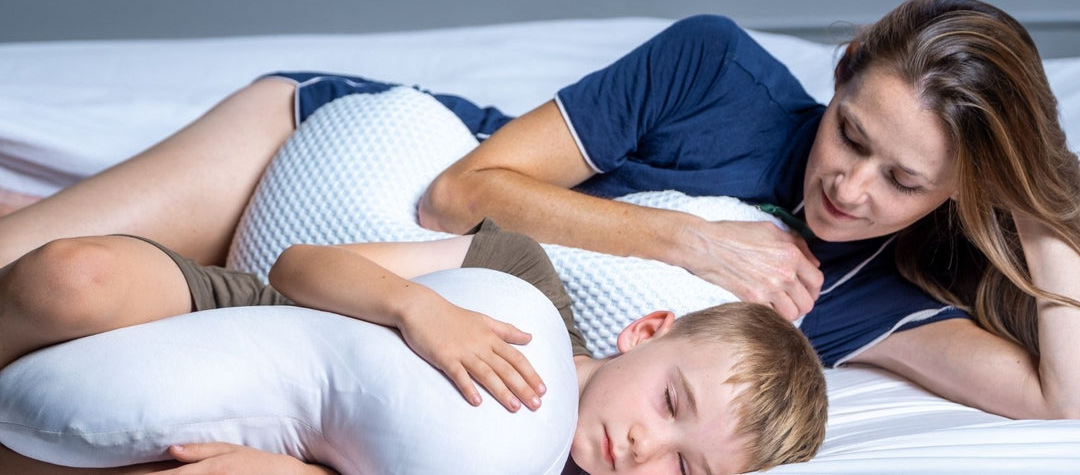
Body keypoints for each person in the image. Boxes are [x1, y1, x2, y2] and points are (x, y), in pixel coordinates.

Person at [1, 0, 1076, 419]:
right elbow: (463, 189)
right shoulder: (718, 71)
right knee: (25, 262)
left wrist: (1037, 210)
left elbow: (1059, 397)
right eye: (850, 134)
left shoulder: (878, 292)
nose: (850, 187)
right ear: (839, 78)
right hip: (326, 151)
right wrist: (696, 241)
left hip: (359, 292)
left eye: (905, 181)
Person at [0, 220, 828, 475]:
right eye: (671, 401)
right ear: (646, 331)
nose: (647, 447)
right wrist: (416, 307)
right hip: (254, 318)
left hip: (295, 448)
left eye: (685, 471)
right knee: (73, 277)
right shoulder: (522, 281)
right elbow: (295, 266)